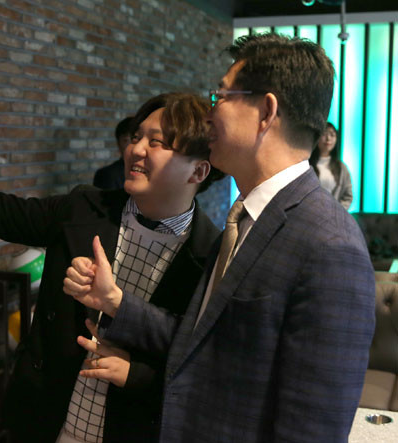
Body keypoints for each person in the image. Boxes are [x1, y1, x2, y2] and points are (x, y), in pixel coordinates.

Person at [64, 33, 376, 442]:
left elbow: (312, 427)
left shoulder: (330, 246)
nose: (209, 113)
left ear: (266, 112)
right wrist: (115, 302)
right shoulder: (244, 217)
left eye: (222, 97)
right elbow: (203, 340)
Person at [0, 87, 225, 442]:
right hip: (45, 422)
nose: (135, 149)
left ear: (198, 171)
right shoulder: (85, 208)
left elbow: (208, 369)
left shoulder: (212, 257)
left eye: (157, 143)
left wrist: (136, 375)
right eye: (136, 137)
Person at [309, 122, 353, 210]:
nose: (328, 138)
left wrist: (337, 212)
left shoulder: (341, 167)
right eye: (324, 134)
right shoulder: (307, 165)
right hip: (311, 213)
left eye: (332, 135)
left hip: (334, 215)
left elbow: (348, 196)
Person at [93, 117, 133, 190]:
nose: (131, 145)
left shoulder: (150, 173)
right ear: (118, 144)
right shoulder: (106, 175)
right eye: (126, 140)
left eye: (136, 139)